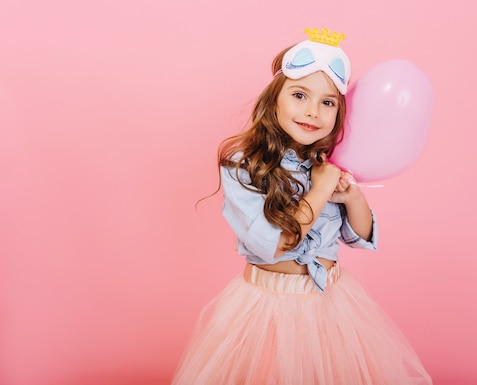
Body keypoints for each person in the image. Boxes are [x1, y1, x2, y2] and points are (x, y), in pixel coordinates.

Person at [171, 28, 432, 385]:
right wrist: (320, 188)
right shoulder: (243, 163)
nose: (313, 112)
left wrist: (352, 196)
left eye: (328, 102)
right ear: (274, 99)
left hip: (331, 302)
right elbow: (274, 242)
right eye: (299, 95)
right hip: (266, 304)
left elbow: (360, 238)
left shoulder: (326, 161)